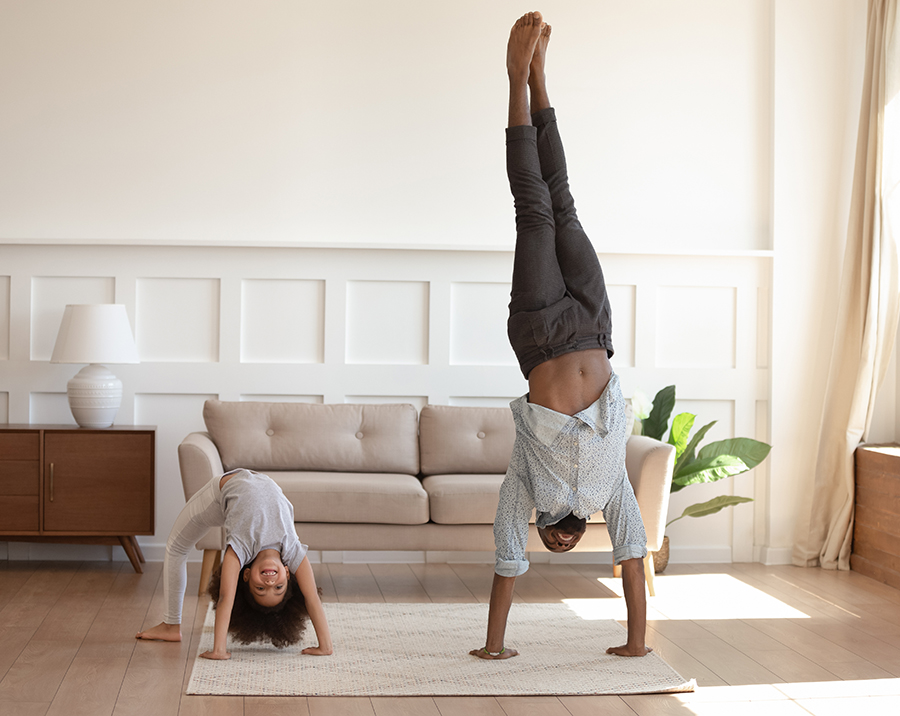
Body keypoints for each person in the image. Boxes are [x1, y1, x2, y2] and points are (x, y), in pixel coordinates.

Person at [469, 11, 652, 661]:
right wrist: (635, 643)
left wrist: (494, 647)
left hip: (543, 331)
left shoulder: (526, 484)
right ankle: (542, 76)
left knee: (535, 207)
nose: (563, 544)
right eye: (565, 547)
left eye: (553, 543)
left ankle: (516, 82)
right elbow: (633, 555)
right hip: (596, 326)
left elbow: (505, 560)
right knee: (565, 201)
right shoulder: (611, 493)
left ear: (542, 530)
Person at [135, 468, 333, 659]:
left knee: (177, 546)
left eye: (260, 588)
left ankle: (171, 626)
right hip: (253, 480)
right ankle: (170, 627)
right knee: (178, 546)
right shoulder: (291, 550)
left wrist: (219, 650)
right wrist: (325, 646)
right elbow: (312, 597)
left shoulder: (241, 548)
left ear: (245, 575)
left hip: (218, 497)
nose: (270, 584)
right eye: (279, 587)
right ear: (288, 574)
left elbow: (225, 598)